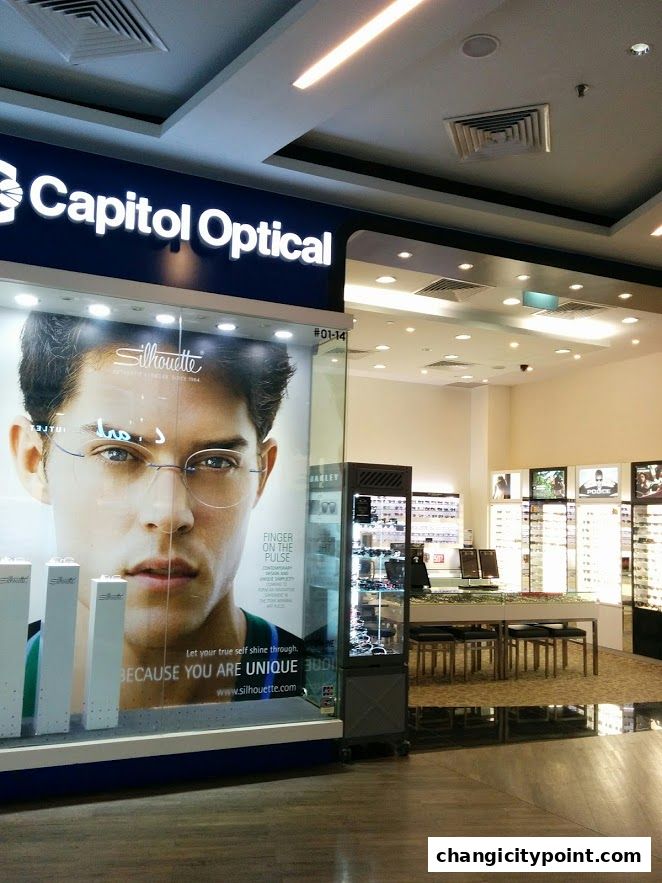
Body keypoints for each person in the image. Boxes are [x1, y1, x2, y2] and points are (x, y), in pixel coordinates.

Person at [11, 311, 302, 713]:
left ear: (261, 474)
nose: (169, 513)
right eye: (116, 453)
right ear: (32, 459)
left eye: (216, 462)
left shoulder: (315, 683)